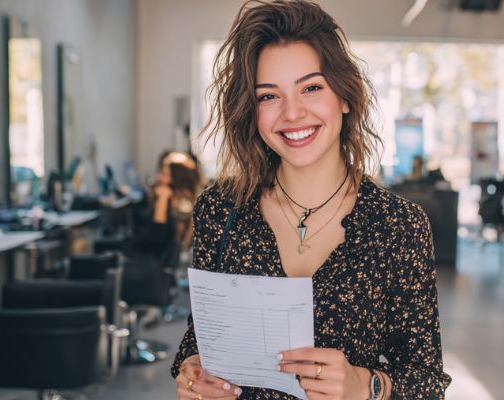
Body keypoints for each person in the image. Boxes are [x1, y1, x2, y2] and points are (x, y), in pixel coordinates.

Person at [171, 1, 451, 399]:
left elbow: (427, 382)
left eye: (311, 87)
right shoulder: (220, 209)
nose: (292, 113)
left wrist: (365, 386)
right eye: (269, 96)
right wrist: (192, 374)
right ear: (252, 112)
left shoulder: (399, 225)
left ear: (345, 96)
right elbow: (199, 338)